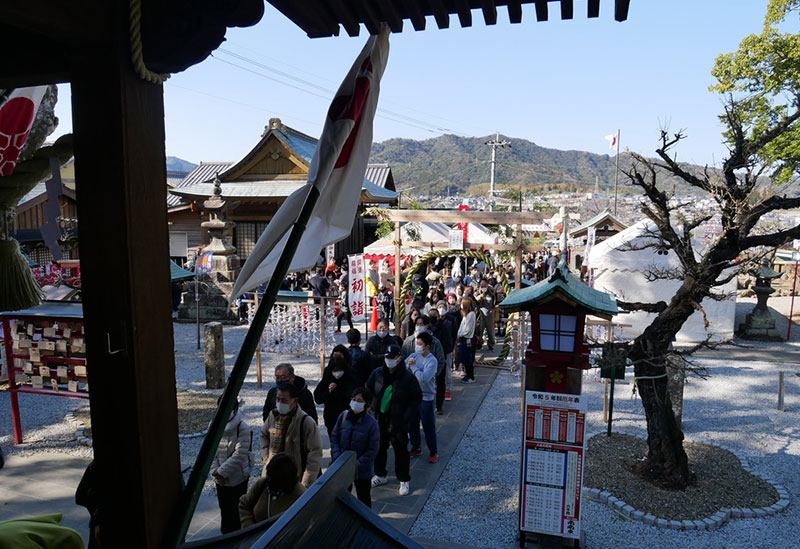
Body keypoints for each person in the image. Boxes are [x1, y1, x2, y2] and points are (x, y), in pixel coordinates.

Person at [365, 344, 422, 496]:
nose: (389, 360)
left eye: (392, 358)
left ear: (399, 358)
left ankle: (403, 479)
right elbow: (368, 389)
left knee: (401, 450)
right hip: (379, 417)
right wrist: (370, 408)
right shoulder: (378, 373)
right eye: (387, 357)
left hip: (398, 419)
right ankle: (380, 474)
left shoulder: (408, 378)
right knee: (379, 448)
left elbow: (416, 399)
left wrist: (406, 417)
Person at [261, 383, 322, 488]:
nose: (280, 403)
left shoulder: (306, 422)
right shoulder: (273, 415)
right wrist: (266, 458)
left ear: (295, 401)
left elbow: (314, 454)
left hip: (295, 480)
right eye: (278, 399)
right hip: (272, 475)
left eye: (284, 400)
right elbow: (264, 435)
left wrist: (306, 483)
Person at [329, 387, 380, 507]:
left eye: (359, 401)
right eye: (353, 399)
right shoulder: (343, 416)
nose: (355, 403)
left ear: (366, 404)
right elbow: (335, 437)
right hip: (342, 465)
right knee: (342, 497)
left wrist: (356, 465)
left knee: (364, 498)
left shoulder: (372, 423)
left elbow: (372, 449)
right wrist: (337, 457)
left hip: (362, 470)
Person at [211, 397, 254, 534]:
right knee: (224, 510)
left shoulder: (242, 427)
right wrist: (215, 472)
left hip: (238, 477)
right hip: (220, 479)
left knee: (237, 511)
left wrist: (221, 472)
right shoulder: (213, 425)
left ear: (235, 410)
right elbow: (211, 452)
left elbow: (240, 454)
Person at [239, 454, 305, 527]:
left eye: (275, 486)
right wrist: (249, 527)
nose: (269, 488)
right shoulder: (263, 484)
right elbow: (244, 504)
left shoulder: (301, 496)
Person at [405, 332, 439, 463]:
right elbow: (403, 365)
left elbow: (424, 378)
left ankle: (433, 451)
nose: (418, 346)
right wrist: (408, 364)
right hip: (413, 396)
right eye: (417, 343)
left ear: (427, 346)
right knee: (412, 423)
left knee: (428, 425)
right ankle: (416, 446)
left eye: (420, 344)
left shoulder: (432, 360)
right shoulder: (414, 355)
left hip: (426, 397)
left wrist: (413, 367)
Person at [313, 347, 355, 437]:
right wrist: (329, 392)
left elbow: (352, 395)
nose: (337, 373)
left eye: (339, 370)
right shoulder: (328, 375)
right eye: (334, 371)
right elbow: (318, 397)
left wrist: (338, 390)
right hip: (331, 417)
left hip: (348, 418)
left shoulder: (350, 374)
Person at [428, 307, 453, 413]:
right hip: (427, 359)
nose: (433, 317)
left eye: (435, 315)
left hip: (439, 358)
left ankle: (439, 405)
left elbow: (448, 343)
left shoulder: (443, 327)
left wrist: (443, 355)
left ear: (438, 316)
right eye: (431, 315)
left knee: (440, 382)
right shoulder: (426, 327)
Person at [457, 298, 477, 383]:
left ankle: (470, 376)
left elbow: (467, 329)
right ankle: (467, 374)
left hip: (467, 338)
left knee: (468, 358)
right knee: (464, 357)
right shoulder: (466, 315)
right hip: (463, 338)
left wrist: (461, 334)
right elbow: (462, 326)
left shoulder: (471, 314)